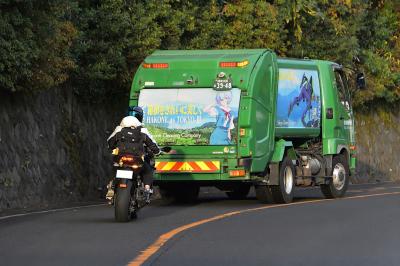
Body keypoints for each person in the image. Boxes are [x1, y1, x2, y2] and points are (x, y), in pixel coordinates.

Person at [106, 106, 160, 203]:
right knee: (148, 171)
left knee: (115, 167)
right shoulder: (142, 130)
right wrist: (157, 151)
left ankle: (111, 186)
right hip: (137, 159)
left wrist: (112, 148)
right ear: (140, 117)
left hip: (121, 159)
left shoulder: (119, 129)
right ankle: (147, 190)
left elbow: (109, 142)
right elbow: (153, 145)